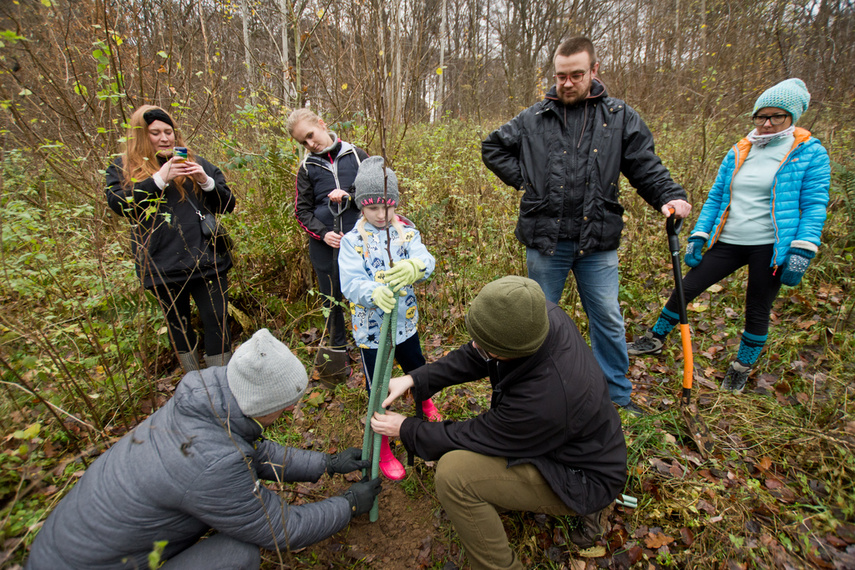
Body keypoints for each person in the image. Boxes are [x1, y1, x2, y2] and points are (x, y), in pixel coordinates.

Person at [26, 328, 382, 570]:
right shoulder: (213, 462)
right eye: (288, 403)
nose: (292, 410)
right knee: (236, 554)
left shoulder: (207, 399)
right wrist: (348, 505)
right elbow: (281, 528)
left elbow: (254, 454)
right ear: (262, 403)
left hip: (68, 550)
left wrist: (327, 464)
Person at [481, 37, 691, 414]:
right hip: (546, 242)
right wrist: (527, 181)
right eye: (561, 76)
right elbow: (492, 147)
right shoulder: (534, 118)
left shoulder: (619, 117)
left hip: (597, 242)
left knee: (608, 318)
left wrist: (669, 196)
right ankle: (536, 393)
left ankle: (616, 397)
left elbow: (645, 165)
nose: (567, 83)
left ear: (594, 71)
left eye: (576, 75)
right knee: (537, 321)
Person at [371, 276, 627, 570]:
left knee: (455, 476)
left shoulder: (544, 400)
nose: (476, 344)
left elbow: (475, 435)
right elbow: (479, 354)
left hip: (583, 476)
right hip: (572, 442)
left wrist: (405, 428)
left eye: (486, 344)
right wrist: (415, 378)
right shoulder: (532, 316)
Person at [627, 78, 830, 392]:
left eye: (777, 116)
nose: (767, 123)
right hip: (730, 239)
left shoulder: (810, 154)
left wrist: (803, 250)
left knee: (757, 306)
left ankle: (741, 367)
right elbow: (717, 197)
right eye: (761, 116)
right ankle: (655, 338)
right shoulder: (740, 150)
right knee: (687, 286)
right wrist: (699, 235)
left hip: (772, 247)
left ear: (793, 117)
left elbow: (814, 205)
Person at [106, 106, 236, 372]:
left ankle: (220, 380)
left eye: (169, 132)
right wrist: (158, 179)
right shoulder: (122, 168)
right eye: (156, 133)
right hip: (160, 265)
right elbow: (119, 205)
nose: (165, 138)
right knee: (178, 325)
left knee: (217, 318)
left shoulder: (195, 161)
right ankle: (194, 380)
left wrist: (205, 180)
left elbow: (227, 204)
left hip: (206, 259)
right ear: (141, 135)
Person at [339, 156, 442, 481]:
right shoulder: (351, 242)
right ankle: (382, 445)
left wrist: (417, 267)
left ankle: (424, 402)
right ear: (361, 206)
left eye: (388, 207)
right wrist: (372, 292)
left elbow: (426, 259)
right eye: (372, 209)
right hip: (372, 334)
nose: (382, 215)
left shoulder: (406, 232)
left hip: (405, 325)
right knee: (379, 387)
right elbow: (351, 284)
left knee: (417, 366)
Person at [288, 109, 368, 357]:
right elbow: (302, 212)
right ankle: (338, 353)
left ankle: (369, 347)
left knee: (365, 297)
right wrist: (323, 234)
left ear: (322, 124)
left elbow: (378, 196)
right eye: (304, 142)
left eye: (311, 135)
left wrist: (351, 197)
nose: (311, 144)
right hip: (325, 248)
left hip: (362, 243)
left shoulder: (356, 155)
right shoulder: (306, 167)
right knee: (332, 302)